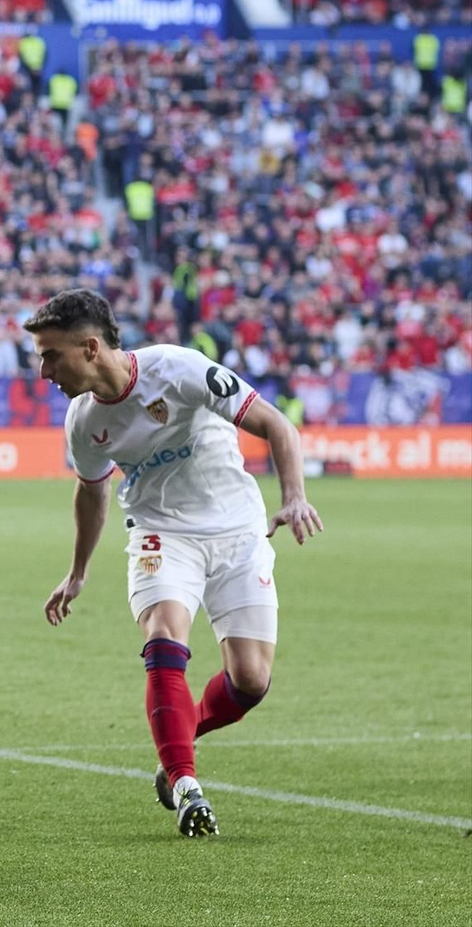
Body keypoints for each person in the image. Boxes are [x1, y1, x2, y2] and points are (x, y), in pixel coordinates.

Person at [25, 289, 323, 839]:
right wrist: (78, 571)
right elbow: (91, 491)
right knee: (164, 635)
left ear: (90, 348)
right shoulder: (82, 420)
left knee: (251, 681)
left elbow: (278, 426)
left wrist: (295, 497)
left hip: (237, 529)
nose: (43, 371)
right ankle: (187, 786)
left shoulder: (180, 369)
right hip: (160, 534)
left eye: (50, 356)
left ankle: (178, 744)